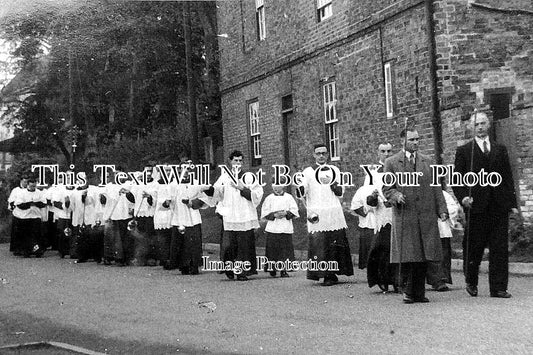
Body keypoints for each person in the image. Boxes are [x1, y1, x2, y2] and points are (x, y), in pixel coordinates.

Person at [453, 111, 518, 298]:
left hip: (498, 206)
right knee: (474, 247)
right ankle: (471, 281)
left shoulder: (500, 149)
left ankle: (498, 287)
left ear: (488, 125)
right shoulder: (465, 151)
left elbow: (507, 177)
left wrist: (512, 203)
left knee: (499, 247)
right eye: (477, 125)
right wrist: (464, 198)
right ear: (471, 128)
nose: (480, 127)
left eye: (483, 123)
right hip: (477, 207)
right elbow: (457, 180)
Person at [383, 127, 448, 303]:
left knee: (424, 254)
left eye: (417, 139)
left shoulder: (427, 161)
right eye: (412, 140)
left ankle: (419, 292)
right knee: (410, 255)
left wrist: (442, 209)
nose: (416, 143)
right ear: (403, 141)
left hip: (425, 214)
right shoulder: (392, 162)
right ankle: (408, 291)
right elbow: (387, 188)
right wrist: (396, 195)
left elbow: (436, 188)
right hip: (406, 214)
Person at [296, 144, 354, 286]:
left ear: (327, 155)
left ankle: (333, 274)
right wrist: (301, 187)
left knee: (335, 243)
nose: (321, 156)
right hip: (318, 212)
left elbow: (341, 192)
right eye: (318, 153)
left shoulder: (334, 170)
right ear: (314, 155)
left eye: (324, 153)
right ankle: (323, 273)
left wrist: (335, 185)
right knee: (320, 244)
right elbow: (302, 192)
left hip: (333, 212)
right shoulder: (308, 172)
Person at [213, 150, 264, 281]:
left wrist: (243, 189)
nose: (238, 163)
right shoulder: (224, 177)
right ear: (230, 161)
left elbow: (257, 194)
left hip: (244, 215)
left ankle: (242, 272)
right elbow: (216, 195)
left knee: (244, 245)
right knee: (229, 245)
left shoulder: (249, 177)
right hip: (230, 216)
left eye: (240, 160)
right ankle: (229, 270)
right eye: (235, 160)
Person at [365, 143, 398, 292]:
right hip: (382, 214)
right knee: (384, 248)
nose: (386, 154)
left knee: (399, 247)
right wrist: (373, 197)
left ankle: (399, 280)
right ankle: (384, 280)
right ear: (377, 153)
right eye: (383, 151)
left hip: (398, 212)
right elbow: (368, 197)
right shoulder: (372, 173)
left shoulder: (398, 169)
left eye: (389, 151)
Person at [260, 182, 299, 277]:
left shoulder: (289, 197)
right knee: (272, 250)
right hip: (273, 227)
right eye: (274, 185)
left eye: (278, 185)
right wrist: (274, 215)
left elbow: (295, 210)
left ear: (283, 186)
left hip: (285, 227)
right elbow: (264, 212)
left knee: (285, 250)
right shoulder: (269, 198)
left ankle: (283, 270)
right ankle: (272, 268)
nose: (275, 188)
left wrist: (286, 213)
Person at [426, 188, 461, 291]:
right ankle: (434, 280)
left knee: (443, 254)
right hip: (428, 229)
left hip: (442, 228)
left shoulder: (443, 194)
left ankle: (442, 279)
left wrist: (443, 212)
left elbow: (453, 207)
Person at [13, 178, 47, 257]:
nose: (33, 188)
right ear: (27, 185)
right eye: (31, 186)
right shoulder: (22, 193)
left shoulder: (39, 193)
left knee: (36, 235)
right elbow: (19, 204)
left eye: (34, 186)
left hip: (36, 217)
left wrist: (35, 203)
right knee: (26, 235)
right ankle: (26, 251)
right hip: (25, 217)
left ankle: (37, 251)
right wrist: (29, 204)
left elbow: (43, 203)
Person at [7, 176, 28, 255]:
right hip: (17, 213)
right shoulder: (16, 190)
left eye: (27, 182)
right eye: (24, 182)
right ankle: (16, 248)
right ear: (21, 181)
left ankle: (24, 248)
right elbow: (11, 200)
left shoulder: (29, 190)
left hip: (27, 214)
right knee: (17, 231)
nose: (25, 183)